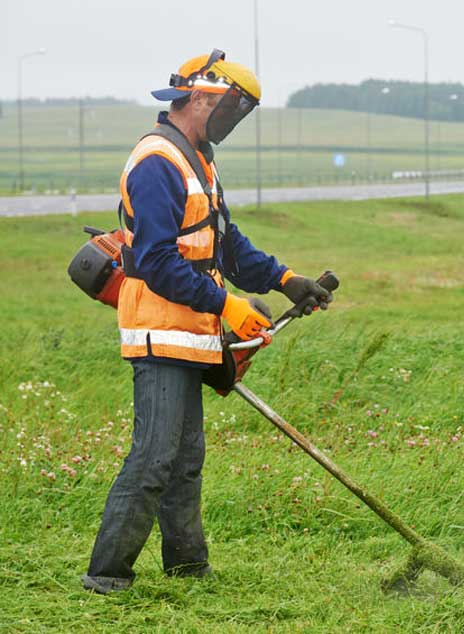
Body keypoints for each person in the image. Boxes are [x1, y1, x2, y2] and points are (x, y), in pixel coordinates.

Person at [81, 50, 333, 594]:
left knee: (185, 458)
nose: (234, 120)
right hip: (159, 330)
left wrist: (285, 279)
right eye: (234, 108)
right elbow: (155, 261)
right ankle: (106, 577)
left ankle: (188, 569)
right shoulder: (157, 162)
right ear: (199, 96)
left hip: (190, 332)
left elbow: (224, 242)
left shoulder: (198, 158)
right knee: (154, 457)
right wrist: (228, 306)